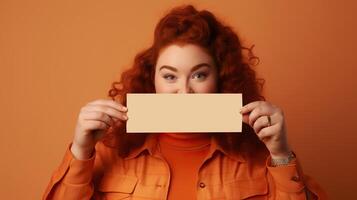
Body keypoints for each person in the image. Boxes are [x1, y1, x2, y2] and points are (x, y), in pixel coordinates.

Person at [42, 4, 326, 200]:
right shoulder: (110, 152)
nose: (184, 91)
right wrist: (81, 150)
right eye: (170, 76)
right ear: (151, 80)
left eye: (199, 75)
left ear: (221, 80)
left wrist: (281, 154)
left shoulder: (259, 158)